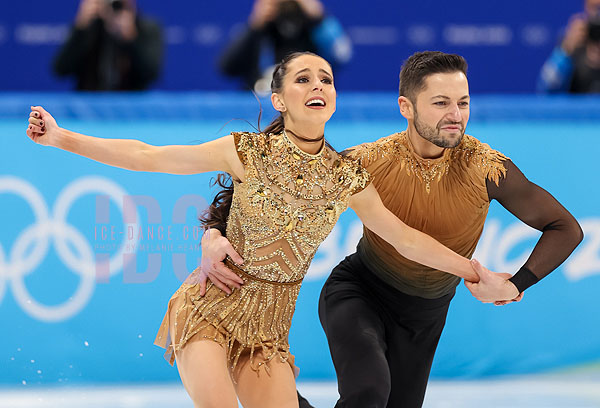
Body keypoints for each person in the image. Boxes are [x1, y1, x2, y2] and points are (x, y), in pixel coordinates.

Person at [25, 52, 518, 408]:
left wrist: (474, 273)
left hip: (269, 329)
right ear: (280, 100)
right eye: (303, 80)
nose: (318, 86)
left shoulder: (346, 176)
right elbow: (148, 156)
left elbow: (406, 237)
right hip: (211, 309)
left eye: (325, 78)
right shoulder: (245, 151)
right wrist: (62, 139)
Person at [200, 51, 584, 408]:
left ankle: (276, 395)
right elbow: (273, 178)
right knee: (369, 393)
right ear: (406, 106)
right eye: (441, 103)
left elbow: (565, 228)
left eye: (463, 103)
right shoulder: (371, 161)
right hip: (359, 293)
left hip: (425, 317)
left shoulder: (487, 168)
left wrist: (516, 284)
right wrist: (213, 234)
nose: (456, 115)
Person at [218, 0, 352, 93]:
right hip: (259, 108)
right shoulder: (260, 28)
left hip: (305, 106)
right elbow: (227, 67)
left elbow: (341, 56)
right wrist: (254, 25)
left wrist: (320, 19)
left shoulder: (314, 28)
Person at [53, 0, 163, 91]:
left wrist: (130, 39)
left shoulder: (146, 28)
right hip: (89, 106)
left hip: (132, 108)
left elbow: (152, 74)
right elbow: (60, 69)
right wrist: (80, 29)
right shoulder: (89, 27)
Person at [537, 0, 600, 93]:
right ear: (586, 8)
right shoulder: (573, 44)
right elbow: (547, 90)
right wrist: (565, 50)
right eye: (595, 8)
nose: (598, 14)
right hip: (579, 107)